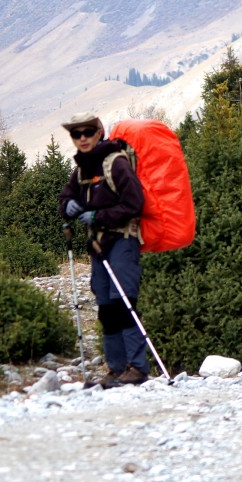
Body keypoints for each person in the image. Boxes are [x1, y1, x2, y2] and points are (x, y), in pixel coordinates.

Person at [58, 113, 149, 388]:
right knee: (106, 308)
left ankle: (137, 368)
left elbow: (135, 203)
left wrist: (98, 217)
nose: (82, 138)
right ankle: (116, 370)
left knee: (124, 303)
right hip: (98, 247)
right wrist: (68, 207)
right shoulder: (82, 169)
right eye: (76, 134)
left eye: (87, 132)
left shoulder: (116, 163)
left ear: (99, 132)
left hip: (122, 240)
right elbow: (66, 196)